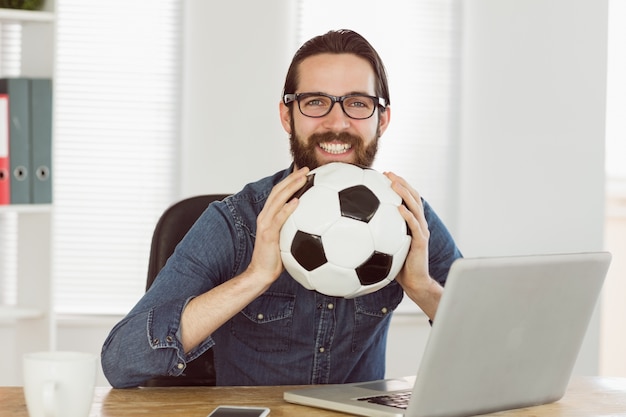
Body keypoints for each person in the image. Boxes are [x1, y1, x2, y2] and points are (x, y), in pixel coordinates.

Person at [101, 29, 462, 388]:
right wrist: (254, 277)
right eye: (316, 102)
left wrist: (423, 287)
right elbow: (121, 360)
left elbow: (503, 349)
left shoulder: (409, 220)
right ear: (287, 116)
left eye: (357, 103)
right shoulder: (237, 222)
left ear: (381, 120)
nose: (337, 123)